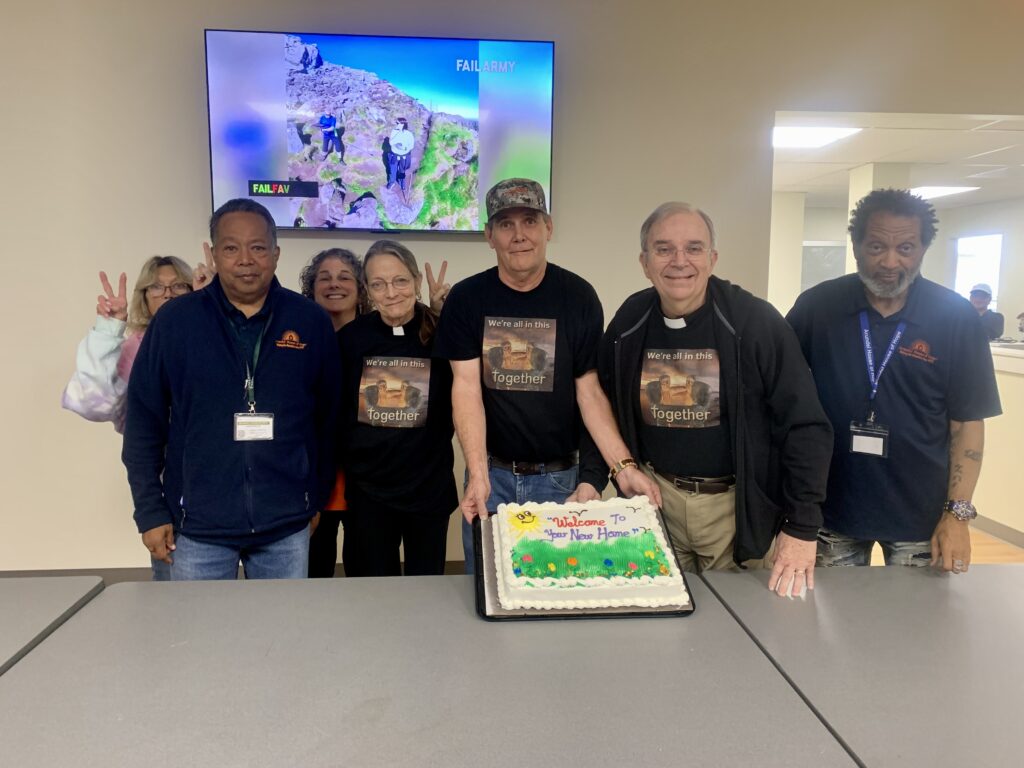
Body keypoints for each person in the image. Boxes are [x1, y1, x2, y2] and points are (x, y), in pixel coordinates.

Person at [597, 202, 833, 597]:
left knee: (738, 625)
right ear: (644, 261)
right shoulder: (630, 319)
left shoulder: (755, 322)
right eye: (663, 249)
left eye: (693, 248)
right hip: (656, 500)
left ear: (712, 258)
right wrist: (603, 475)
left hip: (733, 508)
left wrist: (803, 525)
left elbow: (806, 426)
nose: (679, 262)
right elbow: (598, 399)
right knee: (660, 618)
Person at [434, 178, 660, 573]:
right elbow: (466, 389)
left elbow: (589, 394)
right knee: (486, 586)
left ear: (548, 228)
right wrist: (478, 475)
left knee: (559, 588)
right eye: (505, 224)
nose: (519, 235)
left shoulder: (578, 297)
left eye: (530, 221)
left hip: (560, 482)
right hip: (492, 476)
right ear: (489, 236)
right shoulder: (467, 300)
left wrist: (624, 468)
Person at [122, 198, 342, 580]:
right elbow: (144, 420)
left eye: (258, 248)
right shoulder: (176, 322)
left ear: (275, 254)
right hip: (194, 529)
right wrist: (150, 511)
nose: (245, 260)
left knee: (282, 636)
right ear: (213, 253)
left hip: (286, 526)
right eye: (231, 248)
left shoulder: (309, 321)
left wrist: (313, 499)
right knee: (191, 638)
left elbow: (328, 419)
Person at [787, 189, 1001, 574]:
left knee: (914, 626)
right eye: (876, 247)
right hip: (831, 508)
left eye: (905, 248)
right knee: (827, 625)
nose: (890, 261)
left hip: (921, 516)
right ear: (855, 247)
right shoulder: (817, 307)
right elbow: (783, 401)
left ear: (922, 248)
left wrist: (958, 515)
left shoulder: (956, 317)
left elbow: (968, 423)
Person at [63, 256, 195, 581]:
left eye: (179, 285)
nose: (168, 294)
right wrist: (108, 330)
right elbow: (93, 402)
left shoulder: (210, 340)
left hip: (209, 474)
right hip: (159, 477)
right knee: (175, 589)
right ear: (144, 296)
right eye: (158, 287)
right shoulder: (135, 347)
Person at [336, 240, 458, 576]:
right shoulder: (350, 340)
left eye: (400, 281)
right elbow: (337, 413)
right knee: (374, 595)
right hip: (369, 493)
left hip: (428, 488)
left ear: (417, 281)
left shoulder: (443, 334)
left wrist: (444, 317)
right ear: (367, 290)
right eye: (378, 284)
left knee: (427, 591)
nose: (391, 293)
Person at [299, 248, 366, 577]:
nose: (334, 284)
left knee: (364, 578)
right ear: (311, 287)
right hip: (311, 478)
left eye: (344, 277)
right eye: (324, 278)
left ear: (361, 287)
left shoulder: (378, 339)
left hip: (366, 481)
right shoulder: (296, 340)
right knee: (313, 576)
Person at [386, 117, 415, 191]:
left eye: (397, 123)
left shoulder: (409, 134)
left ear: (402, 124)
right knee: (393, 170)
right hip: (394, 155)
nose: (396, 124)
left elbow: (411, 146)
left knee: (402, 171)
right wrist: (399, 133)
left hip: (404, 156)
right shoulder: (394, 132)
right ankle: (391, 182)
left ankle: (402, 182)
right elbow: (391, 142)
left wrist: (404, 148)